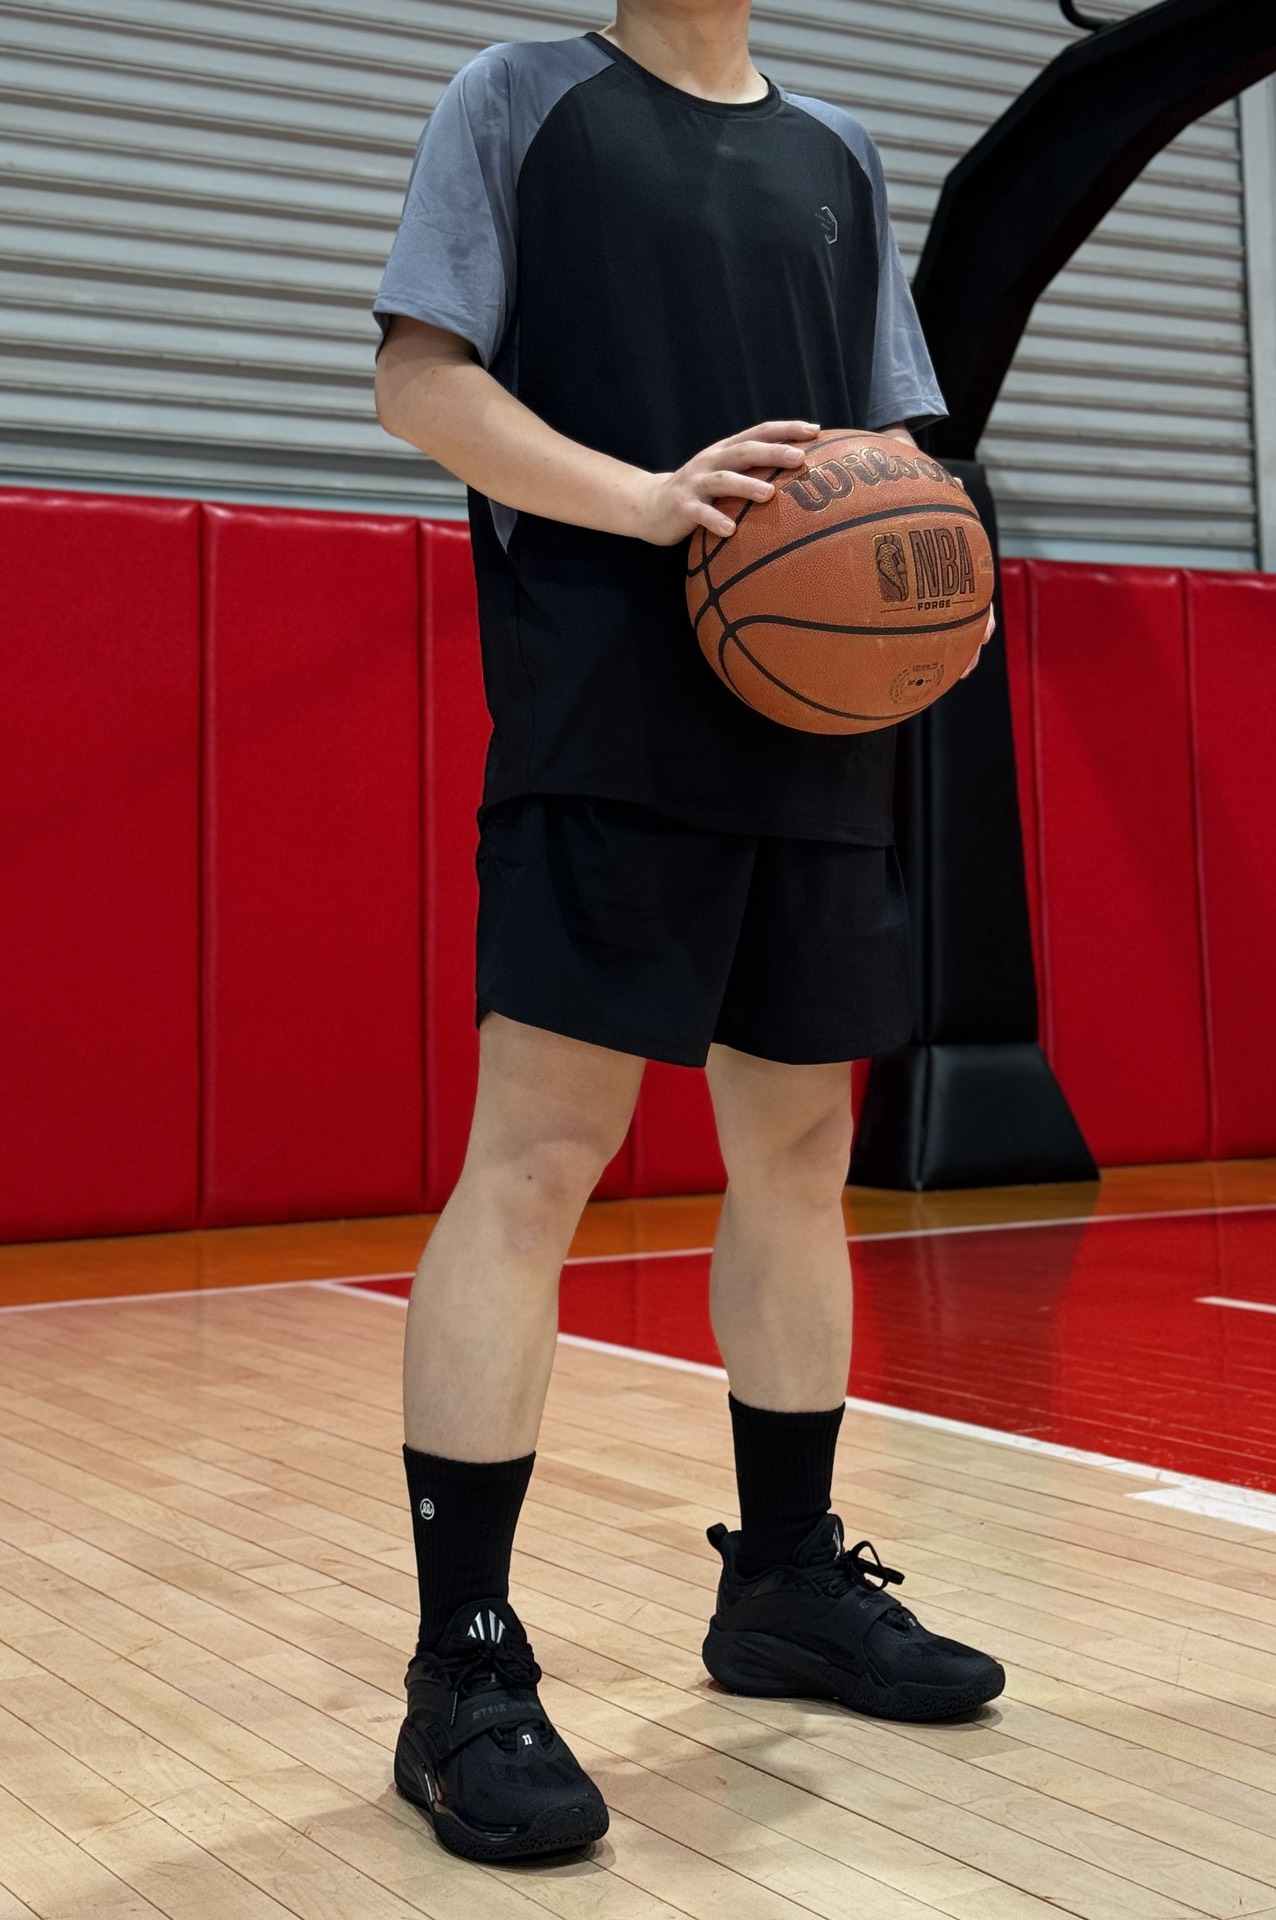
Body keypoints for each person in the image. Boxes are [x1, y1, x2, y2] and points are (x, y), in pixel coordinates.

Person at [371, 0, 1003, 1865]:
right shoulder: (523, 102)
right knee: (539, 1157)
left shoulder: (841, 152)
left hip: (816, 725)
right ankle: (463, 1667)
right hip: (610, 707)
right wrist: (648, 503)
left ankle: (785, 1580)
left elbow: (889, 436)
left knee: (799, 1154)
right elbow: (421, 383)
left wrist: (929, 559)